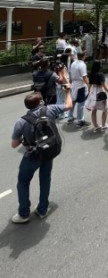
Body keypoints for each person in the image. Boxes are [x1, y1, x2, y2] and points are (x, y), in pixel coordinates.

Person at [10, 88, 73, 223]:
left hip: (32, 156)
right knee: (45, 179)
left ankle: (24, 214)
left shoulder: (21, 122)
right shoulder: (50, 109)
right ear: (40, 102)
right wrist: (68, 92)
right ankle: (42, 209)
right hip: (48, 151)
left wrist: (23, 139)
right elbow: (69, 105)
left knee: (23, 182)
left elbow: (14, 145)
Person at [86, 60, 108, 132]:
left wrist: (88, 91)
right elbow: (103, 85)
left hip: (93, 92)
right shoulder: (101, 74)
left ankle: (95, 126)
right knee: (105, 109)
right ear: (99, 66)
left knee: (94, 110)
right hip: (100, 92)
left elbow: (89, 84)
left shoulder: (91, 74)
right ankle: (103, 125)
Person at [66, 51, 90, 128]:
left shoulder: (73, 63)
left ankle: (70, 117)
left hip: (73, 84)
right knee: (81, 103)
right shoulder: (82, 65)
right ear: (84, 56)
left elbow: (69, 72)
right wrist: (89, 85)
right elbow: (84, 77)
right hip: (80, 86)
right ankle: (80, 120)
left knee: (73, 101)